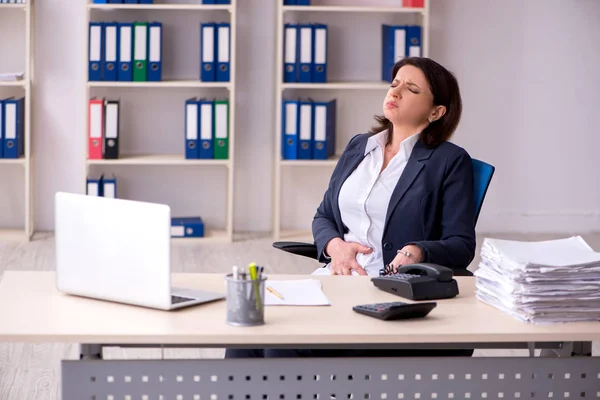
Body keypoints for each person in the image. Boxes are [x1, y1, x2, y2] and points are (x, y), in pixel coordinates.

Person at [225, 57, 475, 359]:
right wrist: (335, 247)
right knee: (248, 326)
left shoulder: (449, 160)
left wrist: (416, 250)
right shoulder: (361, 147)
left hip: (388, 293)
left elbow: (460, 245)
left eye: (411, 89)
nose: (394, 93)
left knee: (282, 343)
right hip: (336, 279)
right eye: (394, 84)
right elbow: (324, 216)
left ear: (436, 112)